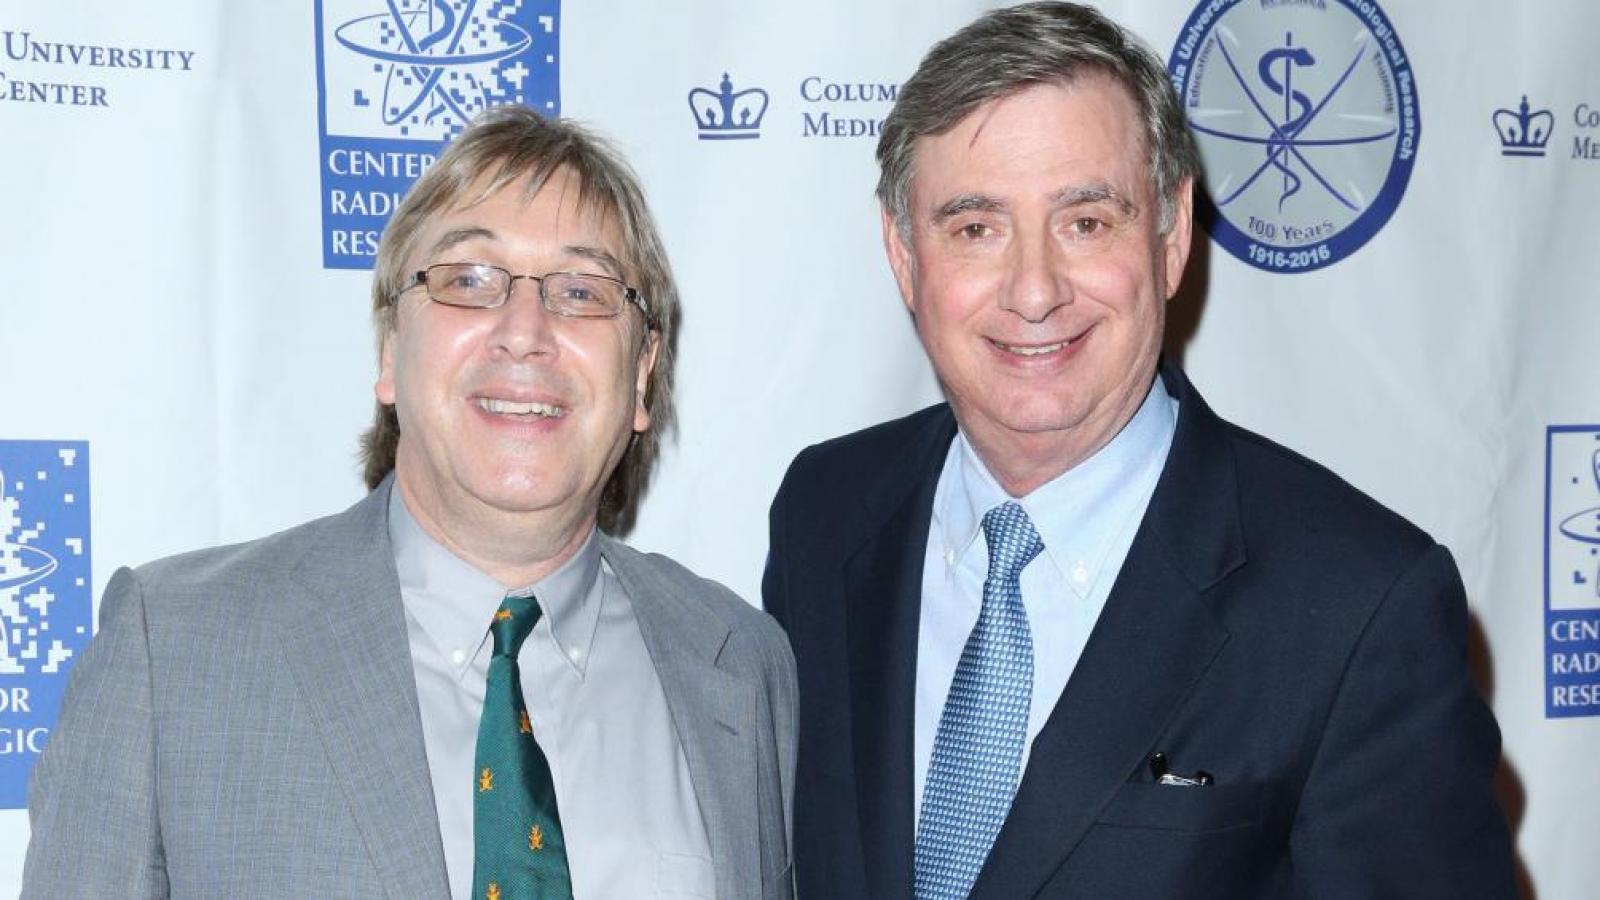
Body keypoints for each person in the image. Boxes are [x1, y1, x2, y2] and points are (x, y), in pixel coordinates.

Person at [762, 3, 1514, 898]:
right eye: (975, 228)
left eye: (1086, 221)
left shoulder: (1359, 602)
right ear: (903, 254)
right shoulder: (826, 509)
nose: (1034, 290)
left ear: (1170, 238)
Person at [25, 105, 795, 900]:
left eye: (581, 290)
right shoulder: (173, 652)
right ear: (391, 350)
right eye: (468, 281)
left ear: (640, 376)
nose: (524, 329)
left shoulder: (741, 663)